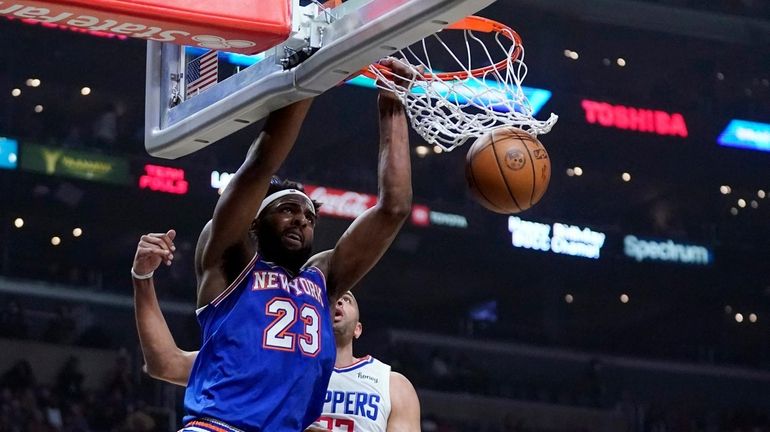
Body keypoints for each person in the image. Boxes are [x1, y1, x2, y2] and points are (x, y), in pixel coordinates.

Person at [131, 58, 414, 431]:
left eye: (310, 216)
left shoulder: (322, 280)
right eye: (287, 209)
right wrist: (311, 74)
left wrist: (393, 104)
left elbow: (393, 208)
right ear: (254, 222)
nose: (301, 218)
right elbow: (260, 165)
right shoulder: (229, 261)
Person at [131, 237, 420, 430]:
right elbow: (165, 363)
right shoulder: (259, 358)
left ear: (359, 328)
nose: (340, 300)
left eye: (349, 298)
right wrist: (142, 278)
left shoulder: (390, 384)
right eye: (334, 297)